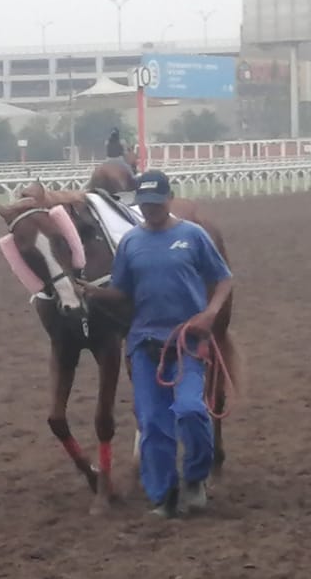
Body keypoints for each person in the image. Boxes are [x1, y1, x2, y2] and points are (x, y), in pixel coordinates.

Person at [80, 170, 233, 518]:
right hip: (145, 343)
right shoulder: (131, 243)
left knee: (191, 410)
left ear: (169, 199)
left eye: (156, 203)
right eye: (145, 205)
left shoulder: (193, 235)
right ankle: (164, 495)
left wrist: (210, 314)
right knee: (152, 423)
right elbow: (122, 291)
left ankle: (195, 478)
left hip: (187, 341)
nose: (150, 210)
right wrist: (92, 292)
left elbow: (223, 279)